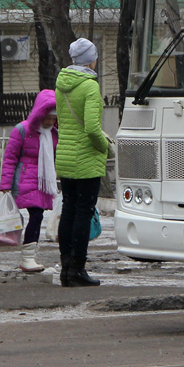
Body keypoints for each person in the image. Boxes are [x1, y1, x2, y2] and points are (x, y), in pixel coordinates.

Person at [55, 38, 110, 287]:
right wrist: (105, 147)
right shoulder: (89, 87)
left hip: (65, 157)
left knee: (68, 210)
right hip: (86, 159)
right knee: (83, 213)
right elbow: (91, 128)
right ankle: (78, 268)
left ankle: (66, 268)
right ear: (91, 59)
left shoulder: (61, 85)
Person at [0, 90, 58, 272]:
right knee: (35, 215)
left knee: (36, 216)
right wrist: (5, 185)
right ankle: (28, 256)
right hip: (23, 179)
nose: (49, 122)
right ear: (39, 114)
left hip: (43, 182)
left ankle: (29, 256)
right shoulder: (22, 130)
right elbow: (10, 158)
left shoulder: (53, 134)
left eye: (53, 118)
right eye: (47, 117)